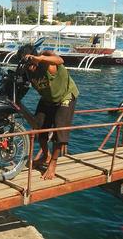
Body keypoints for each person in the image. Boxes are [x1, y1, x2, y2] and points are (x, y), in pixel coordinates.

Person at [22, 47, 79, 180]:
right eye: (26, 64)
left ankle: (53, 163)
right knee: (38, 126)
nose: (30, 67)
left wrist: (40, 58)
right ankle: (45, 156)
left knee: (59, 128)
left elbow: (60, 60)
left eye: (31, 64)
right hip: (48, 99)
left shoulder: (47, 64)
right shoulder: (27, 71)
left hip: (66, 96)